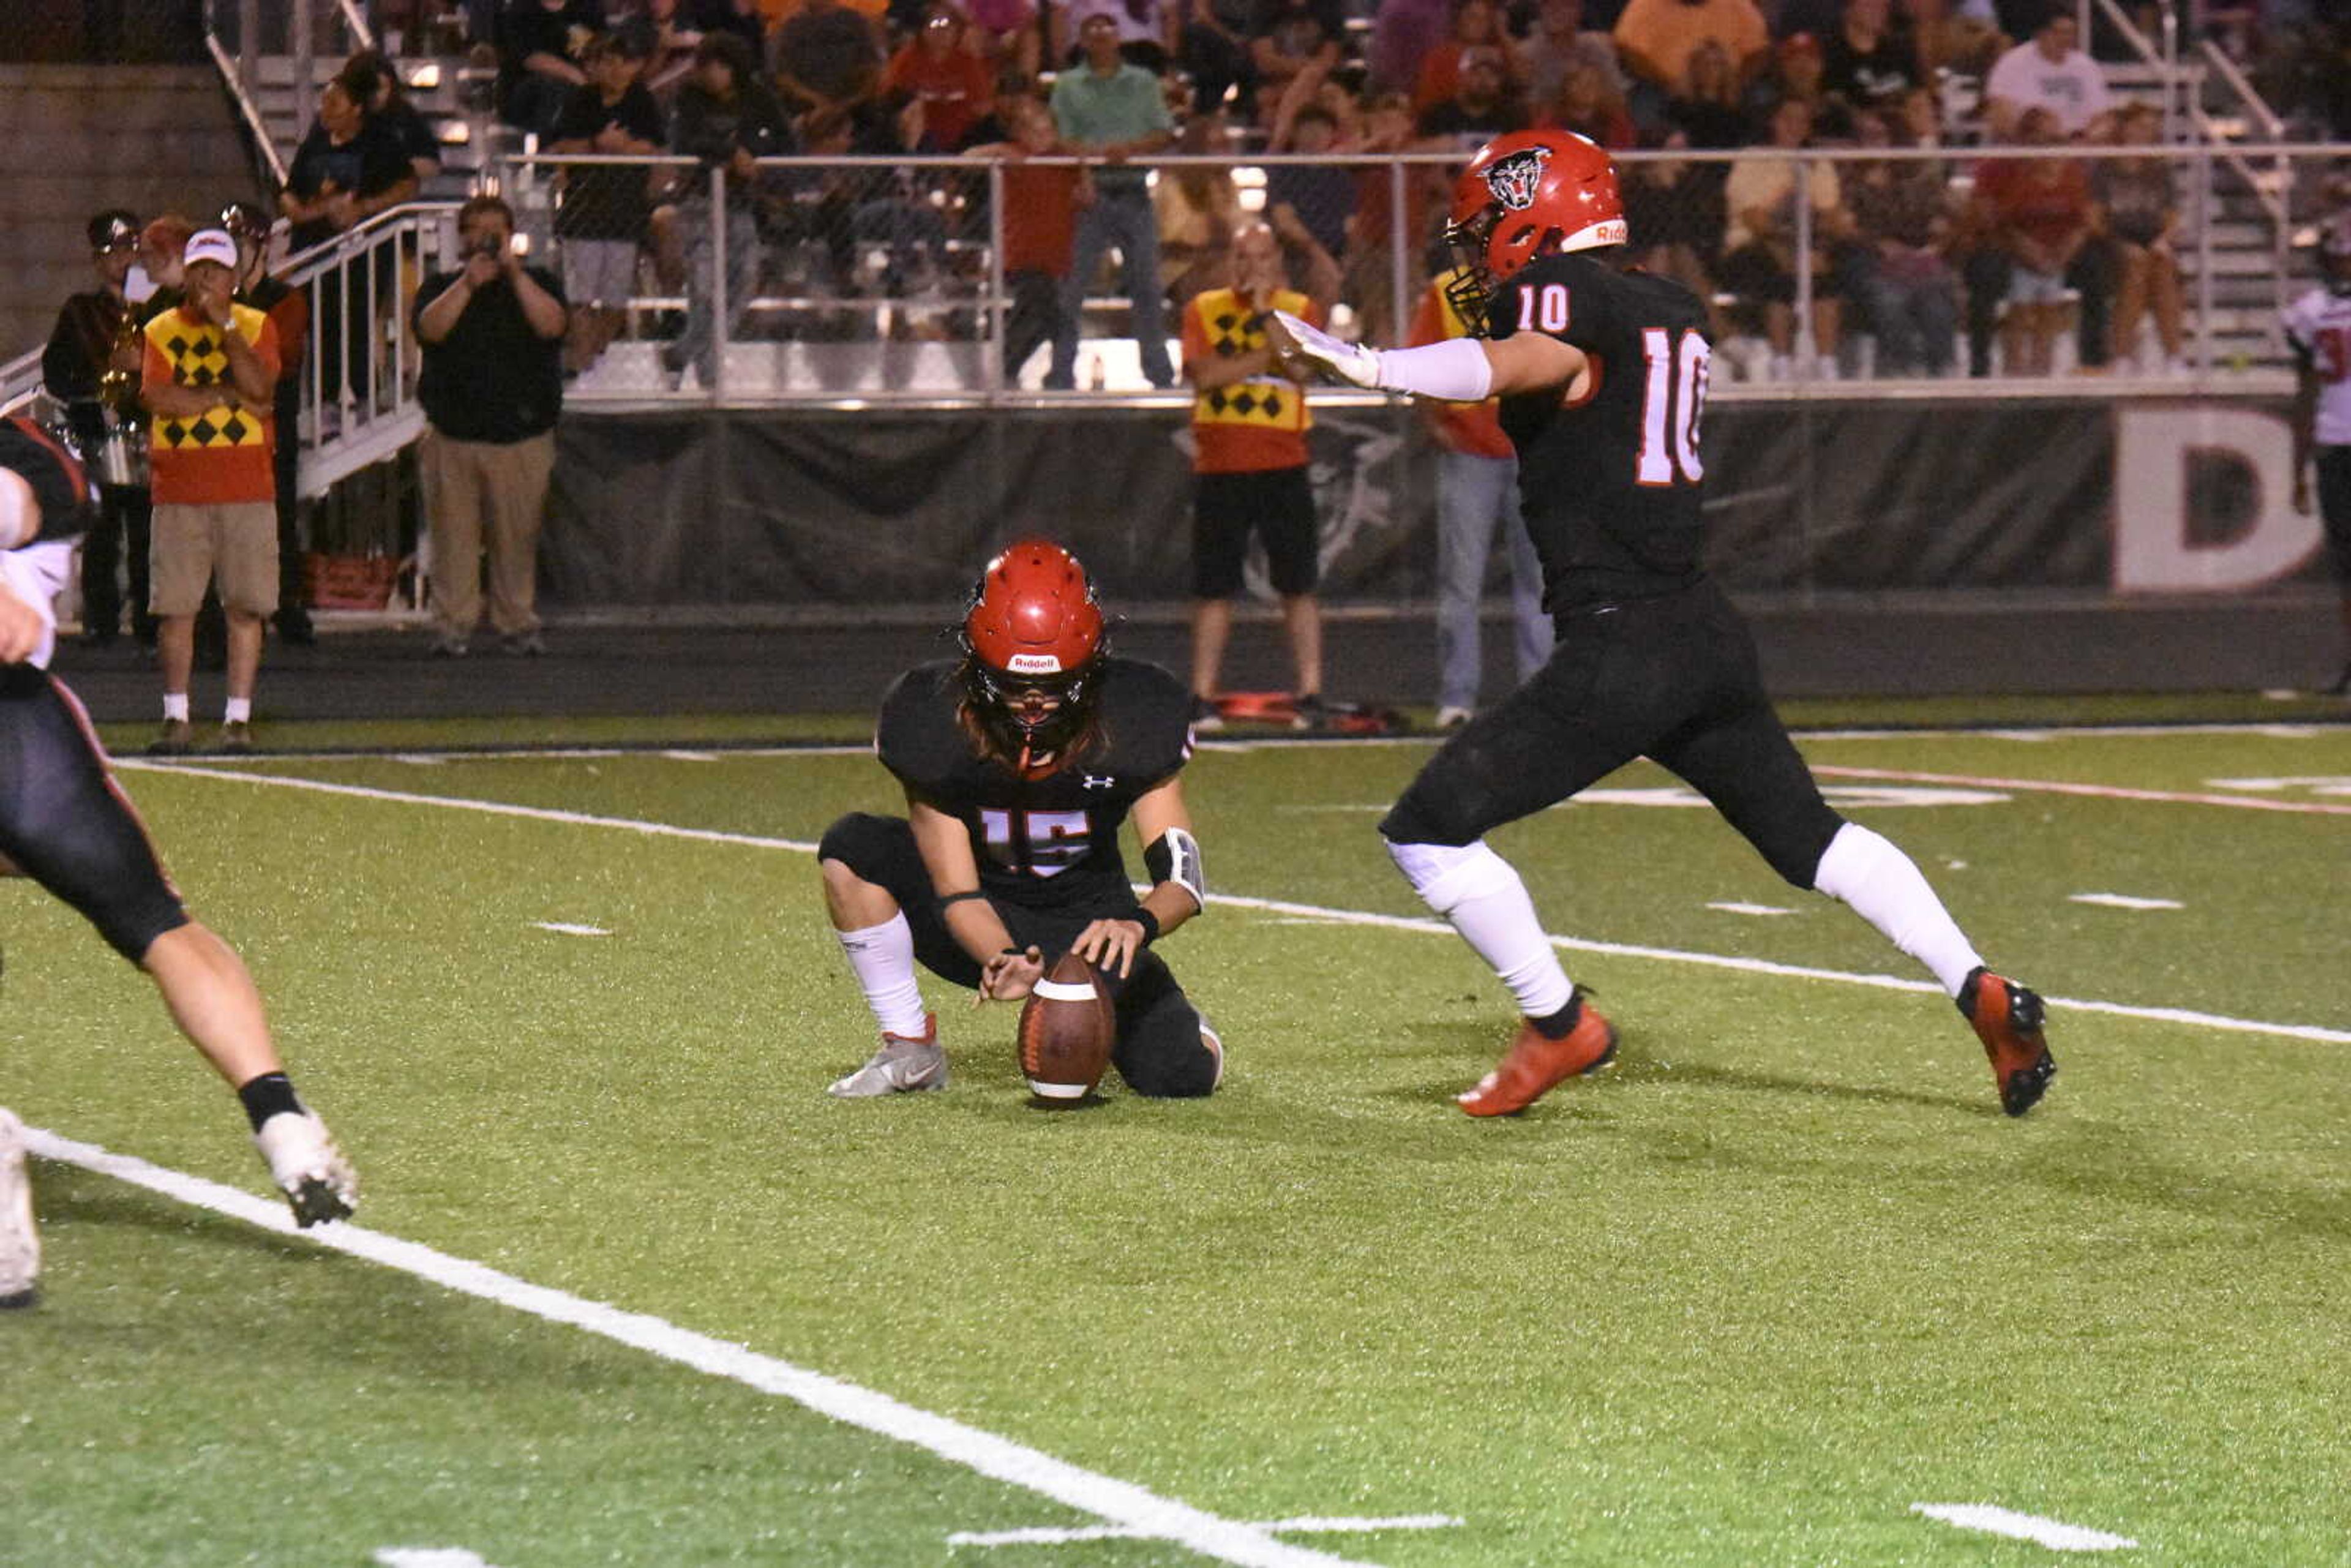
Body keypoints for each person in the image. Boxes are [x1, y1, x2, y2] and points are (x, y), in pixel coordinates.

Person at [1266, 129, 2055, 1119]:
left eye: (1484, 231)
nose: (1476, 257)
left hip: (1624, 640)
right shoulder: (1670, 303)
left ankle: (1558, 1025)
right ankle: (1977, 984)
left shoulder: (1564, 298)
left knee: (1429, 832)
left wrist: (1373, 364)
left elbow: (1523, 358)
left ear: (1534, 211)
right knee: (1811, 839)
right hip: (1700, 627)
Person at [0, 418, 356, 1312]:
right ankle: (282, 1118)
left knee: (155, 922)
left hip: (14, 726)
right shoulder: (35, 467)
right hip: (23, 736)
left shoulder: (26, 469)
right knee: (157, 924)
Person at [817, 539, 1222, 1100]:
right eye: (1013, 684)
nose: (1033, 704)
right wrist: (1001, 957)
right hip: (986, 918)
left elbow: (1182, 879)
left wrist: (1136, 925)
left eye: (1053, 687)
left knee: (1181, 1078)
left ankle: (1171, 1019)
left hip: (1094, 936)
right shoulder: (934, 719)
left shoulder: (1135, 713)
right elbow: (957, 890)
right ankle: (909, 1048)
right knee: (855, 846)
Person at [140, 228, 283, 756]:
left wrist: (226, 329)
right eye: (199, 268)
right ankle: (176, 715)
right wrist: (223, 395)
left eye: (217, 270)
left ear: (235, 278)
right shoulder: (160, 328)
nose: (206, 279)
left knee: (245, 606)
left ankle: (237, 719)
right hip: (178, 485)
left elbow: (261, 388)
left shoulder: (255, 325)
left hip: (246, 485)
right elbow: (158, 396)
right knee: (176, 608)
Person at [1181, 222, 1328, 730]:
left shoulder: (1300, 309)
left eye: (1261, 257)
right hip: (1220, 465)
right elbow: (1205, 376)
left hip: (1284, 461)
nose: (1251, 268)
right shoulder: (1203, 308)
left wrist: (1267, 319)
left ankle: (1310, 690)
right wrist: (1269, 353)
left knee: (1298, 583)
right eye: (1242, 257)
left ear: (1278, 263)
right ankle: (1202, 693)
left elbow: (1305, 372)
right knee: (1213, 587)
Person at [414, 197, 568, 658]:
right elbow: (430, 329)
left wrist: (514, 273)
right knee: (453, 540)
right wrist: (467, 283)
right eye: (475, 230)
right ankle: (453, 624)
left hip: (520, 437)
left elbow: (552, 325)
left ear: (510, 234)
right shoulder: (442, 286)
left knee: (516, 539)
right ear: (461, 237)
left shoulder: (538, 282)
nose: (484, 239)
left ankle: (516, 622)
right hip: (454, 436)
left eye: (494, 231)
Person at [1409, 265, 1550, 729]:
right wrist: (1435, 424)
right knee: (1463, 579)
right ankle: (1458, 697)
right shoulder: (1446, 287)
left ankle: (1539, 693)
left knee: (1538, 580)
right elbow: (1421, 357)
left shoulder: (1546, 282)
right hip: (1473, 446)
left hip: (1530, 445)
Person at [42, 209, 154, 651]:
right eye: (114, 253)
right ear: (98, 260)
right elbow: (56, 371)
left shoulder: (157, 306)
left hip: (148, 427)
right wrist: (89, 394)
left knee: (148, 532)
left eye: (129, 250)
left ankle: (149, 618)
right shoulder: (81, 311)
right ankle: (101, 618)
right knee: (102, 530)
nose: (123, 261)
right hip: (99, 431)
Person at [1049, 12, 1178, 389]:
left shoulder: (1143, 82)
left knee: (1147, 286)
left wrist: (1130, 150)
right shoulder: (1068, 85)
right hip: (1087, 197)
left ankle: (1159, 373)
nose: (1101, 38)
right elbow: (1060, 138)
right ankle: (1060, 372)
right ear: (1082, 40)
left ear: (1119, 38)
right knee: (1071, 290)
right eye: (1092, 31)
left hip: (1134, 193)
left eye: (1108, 31)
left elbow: (1163, 131)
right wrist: (1097, 154)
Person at [663, 31, 793, 391]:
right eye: (707, 66)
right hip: (700, 204)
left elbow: (784, 139)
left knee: (743, 283)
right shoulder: (690, 97)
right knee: (705, 289)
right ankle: (709, 371)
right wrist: (728, 152)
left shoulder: (757, 97)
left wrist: (754, 153)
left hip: (741, 205)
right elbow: (685, 141)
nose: (712, 73)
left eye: (720, 66)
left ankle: (683, 350)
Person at [220, 200, 317, 646]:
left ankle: (287, 604)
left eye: (241, 243)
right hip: (222, 429)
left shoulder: (285, 299)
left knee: (275, 518)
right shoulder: (216, 302)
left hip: (269, 427)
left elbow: (279, 357)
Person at [550, 29, 666, 375]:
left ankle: (594, 352)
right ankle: (581, 362)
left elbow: (652, 146)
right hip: (583, 209)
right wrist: (601, 144)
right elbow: (565, 146)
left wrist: (622, 149)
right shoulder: (580, 100)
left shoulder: (642, 102)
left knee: (616, 299)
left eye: (622, 63)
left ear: (634, 67)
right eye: (606, 62)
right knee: (581, 295)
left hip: (625, 210)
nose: (614, 70)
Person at [2286, 211, 2351, 697]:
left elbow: (2305, 392)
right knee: (2347, 565)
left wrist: (2298, 469)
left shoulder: (2308, 310)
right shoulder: (2307, 311)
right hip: (2334, 441)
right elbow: (2306, 390)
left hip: (2333, 441)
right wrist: (2298, 469)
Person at [1981, 6, 2108, 141]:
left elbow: (2101, 116)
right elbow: (2001, 115)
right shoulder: (2012, 64)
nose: (2066, 39)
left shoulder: (2086, 66)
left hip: (2080, 146)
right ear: (2040, 34)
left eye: (2070, 33)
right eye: (2059, 32)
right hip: (2030, 148)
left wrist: (2084, 140)